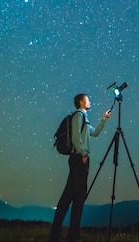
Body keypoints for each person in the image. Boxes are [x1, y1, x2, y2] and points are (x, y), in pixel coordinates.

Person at [49, 93, 112, 242]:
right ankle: (72, 237)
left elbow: (94, 133)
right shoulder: (78, 115)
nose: (90, 101)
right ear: (82, 102)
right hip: (79, 159)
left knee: (69, 197)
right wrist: (83, 153)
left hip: (79, 159)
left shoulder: (84, 117)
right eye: (88, 100)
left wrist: (103, 120)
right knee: (78, 198)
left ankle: (58, 236)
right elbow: (76, 136)